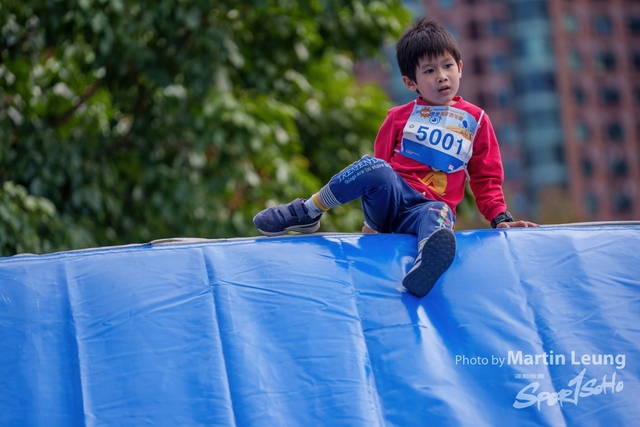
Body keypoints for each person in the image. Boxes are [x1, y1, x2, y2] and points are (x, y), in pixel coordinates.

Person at [253, 17, 538, 298]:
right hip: (390, 204)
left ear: (460, 68)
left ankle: (426, 264)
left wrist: (500, 218)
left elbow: (485, 176)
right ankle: (308, 211)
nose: (441, 76)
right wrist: (372, 224)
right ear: (410, 82)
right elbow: (380, 169)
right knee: (373, 166)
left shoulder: (476, 120)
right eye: (429, 71)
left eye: (448, 66)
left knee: (439, 213)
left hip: (427, 210)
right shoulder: (398, 117)